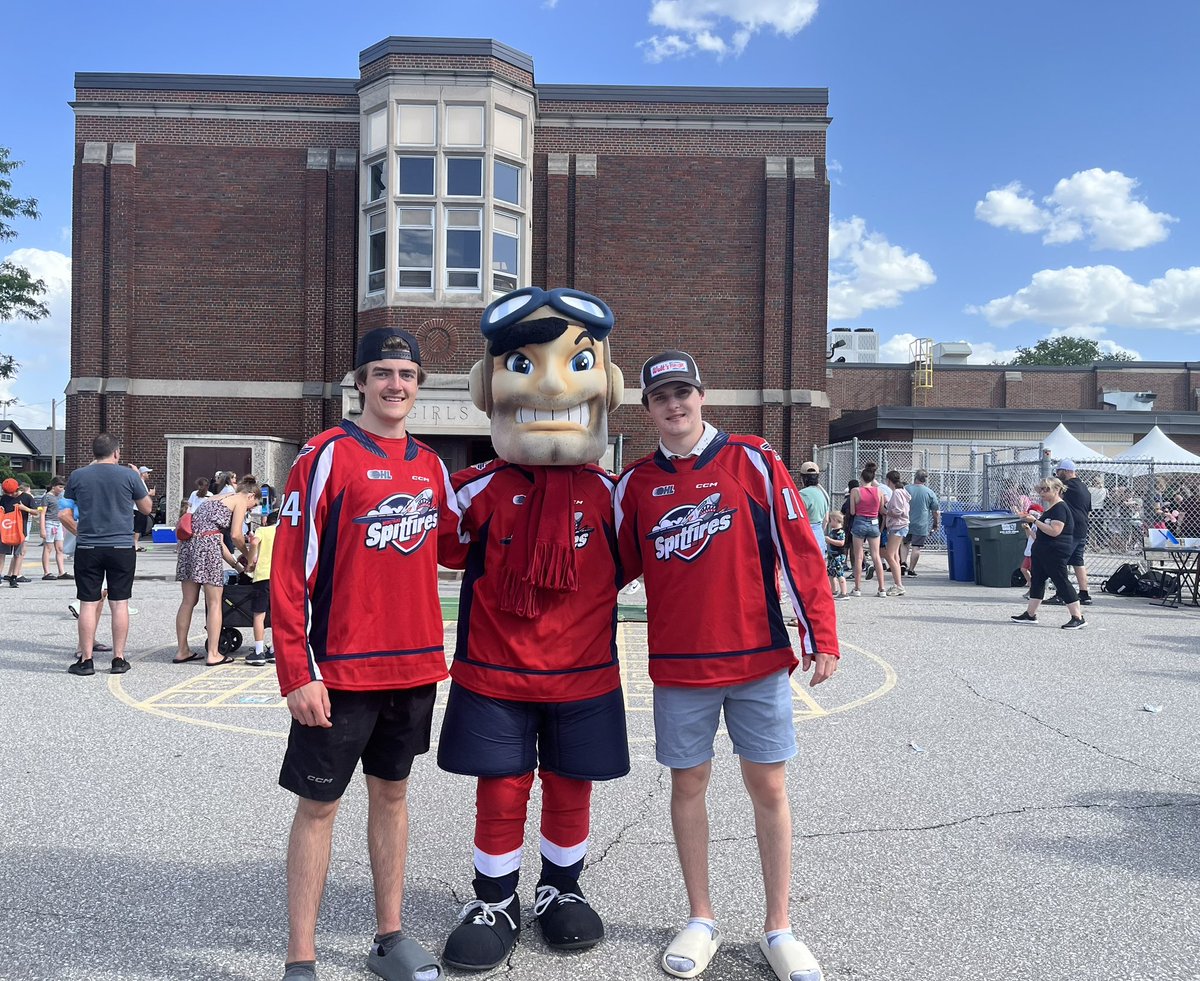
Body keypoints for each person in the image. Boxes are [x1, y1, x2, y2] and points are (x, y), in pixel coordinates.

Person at [615, 349, 840, 981]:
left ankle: (779, 926)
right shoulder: (636, 483)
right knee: (688, 785)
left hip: (757, 659)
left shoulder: (753, 459)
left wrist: (821, 634)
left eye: (683, 392)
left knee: (768, 786)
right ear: (647, 408)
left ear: (702, 395)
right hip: (679, 666)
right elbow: (610, 569)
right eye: (661, 397)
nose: (674, 405)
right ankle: (701, 918)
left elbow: (799, 550)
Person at [437, 287, 628, 971]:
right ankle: (495, 899)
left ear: (609, 384)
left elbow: (661, 561)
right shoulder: (474, 489)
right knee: (501, 786)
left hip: (583, 672)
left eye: (578, 363)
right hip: (497, 670)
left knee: (572, 784)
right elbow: (422, 549)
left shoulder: (614, 495)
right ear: (485, 387)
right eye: (521, 364)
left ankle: (560, 888)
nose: (550, 387)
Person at [271, 327, 451, 981]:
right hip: (340, 672)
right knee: (319, 806)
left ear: (419, 384)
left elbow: (460, 544)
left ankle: (389, 937)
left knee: (393, 797)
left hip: (414, 666)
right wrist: (297, 671)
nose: (395, 384)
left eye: (406, 374)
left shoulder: (431, 465)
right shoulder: (326, 454)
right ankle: (301, 958)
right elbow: (289, 570)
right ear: (360, 382)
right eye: (382, 372)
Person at [61, 435, 152, 675]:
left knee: (88, 603)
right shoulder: (129, 476)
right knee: (119, 602)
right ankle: (118, 659)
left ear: (94, 453)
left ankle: (86, 660)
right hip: (121, 546)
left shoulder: (78, 476)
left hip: (88, 546)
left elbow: (64, 511)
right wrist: (138, 480)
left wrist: (80, 532)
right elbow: (146, 508)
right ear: (116, 452)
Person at [172, 475, 259, 666]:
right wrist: (249, 555)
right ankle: (213, 654)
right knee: (214, 603)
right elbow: (236, 535)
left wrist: (239, 567)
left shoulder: (214, 498)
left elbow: (219, 541)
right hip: (207, 548)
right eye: (253, 505)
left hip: (188, 546)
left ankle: (182, 650)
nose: (250, 509)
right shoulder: (240, 499)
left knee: (188, 601)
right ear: (251, 495)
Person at [1010, 477, 1087, 629]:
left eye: (1046, 489)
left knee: (1061, 581)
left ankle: (1078, 617)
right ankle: (1030, 614)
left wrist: (1035, 521)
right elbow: (1041, 534)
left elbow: (1055, 531)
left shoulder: (1060, 508)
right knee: (1037, 581)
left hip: (1055, 552)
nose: (1042, 493)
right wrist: (1028, 524)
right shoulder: (1051, 509)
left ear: (1057, 490)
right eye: (1041, 490)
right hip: (1043, 552)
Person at [1046, 460, 1093, 606]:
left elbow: (1052, 492)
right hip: (1082, 528)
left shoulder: (1068, 486)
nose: (1057, 474)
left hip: (1070, 530)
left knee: (1059, 561)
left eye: (1058, 471)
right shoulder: (1084, 487)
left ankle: (1062, 594)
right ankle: (1084, 594)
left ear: (1066, 471)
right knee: (1078, 562)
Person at [244, 508, 277, 667]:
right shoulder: (284, 531)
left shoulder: (263, 530)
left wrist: (250, 563)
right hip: (280, 577)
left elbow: (254, 542)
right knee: (277, 615)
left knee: (259, 614)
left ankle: (258, 651)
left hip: (263, 576)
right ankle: (274, 649)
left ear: (266, 521)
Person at [849, 462, 886, 598]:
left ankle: (857, 588)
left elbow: (852, 511)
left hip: (859, 522)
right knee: (876, 556)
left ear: (861, 478)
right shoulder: (879, 491)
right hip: (874, 522)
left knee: (858, 556)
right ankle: (881, 588)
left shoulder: (855, 491)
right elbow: (881, 510)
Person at [902, 469, 940, 577]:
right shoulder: (929, 492)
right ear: (925, 480)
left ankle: (903, 563)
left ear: (915, 477)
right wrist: (935, 524)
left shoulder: (906, 489)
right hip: (921, 524)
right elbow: (935, 511)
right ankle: (911, 569)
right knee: (916, 547)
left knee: (904, 544)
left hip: (905, 521)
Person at [2, 477, 39, 586]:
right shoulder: (4, 498)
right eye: (7, 493)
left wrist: (25, 508)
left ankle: (14, 576)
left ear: (17, 489)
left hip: (20, 530)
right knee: (1, 553)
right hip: (6, 530)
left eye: (12, 493)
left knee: (18, 554)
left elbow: (36, 512)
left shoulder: (27, 497)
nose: (10, 495)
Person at [882, 471, 910, 596]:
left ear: (889, 480)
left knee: (889, 555)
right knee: (895, 556)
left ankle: (899, 585)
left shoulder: (897, 492)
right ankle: (898, 583)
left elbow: (898, 511)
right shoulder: (902, 492)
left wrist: (886, 511)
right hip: (900, 525)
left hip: (898, 525)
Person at [796, 461, 830, 555]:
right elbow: (826, 520)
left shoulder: (801, 495)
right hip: (819, 534)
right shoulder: (824, 495)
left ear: (802, 478)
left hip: (805, 534)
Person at [39, 477, 68, 579]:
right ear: (53, 486)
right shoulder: (47, 497)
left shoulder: (59, 497)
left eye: (63, 487)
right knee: (48, 547)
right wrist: (42, 529)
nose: (62, 489)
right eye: (60, 487)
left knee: (60, 548)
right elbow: (42, 513)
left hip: (58, 523)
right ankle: (46, 572)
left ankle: (61, 572)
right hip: (49, 523)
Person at [1018, 502, 1043, 597]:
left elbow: (1036, 537)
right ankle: (1031, 587)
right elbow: (1029, 537)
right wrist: (1027, 529)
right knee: (1023, 569)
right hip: (1029, 551)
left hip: (1035, 551)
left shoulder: (1040, 524)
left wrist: (1030, 530)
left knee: (1034, 572)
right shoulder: (1033, 525)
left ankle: (1035, 590)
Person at [132, 465, 157, 551]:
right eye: (147, 473)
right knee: (137, 528)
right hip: (138, 509)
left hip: (140, 509)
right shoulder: (140, 482)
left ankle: (136, 544)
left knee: (139, 527)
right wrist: (150, 493)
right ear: (143, 474)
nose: (149, 474)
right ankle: (135, 545)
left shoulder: (142, 482)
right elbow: (140, 494)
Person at [825, 510, 849, 599]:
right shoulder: (833, 531)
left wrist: (829, 540)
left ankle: (844, 593)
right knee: (831, 573)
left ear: (835, 520)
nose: (830, 523)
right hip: (832, 556)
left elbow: (841, 543)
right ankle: (833, 590)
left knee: (839, 573)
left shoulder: (840, 532)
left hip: (838, 555)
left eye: (831, 520)